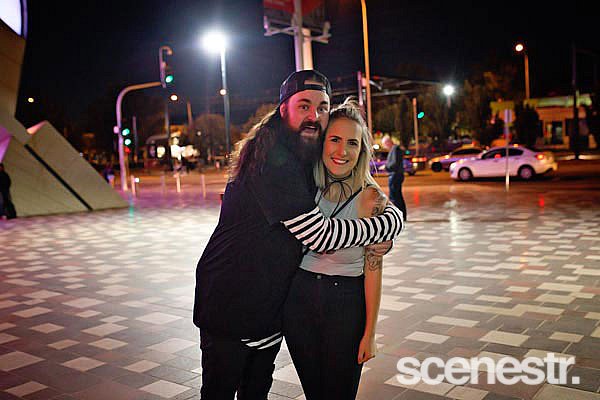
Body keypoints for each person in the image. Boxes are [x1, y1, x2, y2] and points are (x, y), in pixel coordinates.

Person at [193, 70, 404, 400]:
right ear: (283, 110)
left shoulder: (303, 153)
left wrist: (390, 219)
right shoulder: (274, 161)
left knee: (256, 391)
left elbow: (364, 192)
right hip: (230, 306)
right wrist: (388, 226)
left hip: (269, 308)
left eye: (322, 108)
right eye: (304, 106)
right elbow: (320, 236)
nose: (314, 116)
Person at [283, 99, 387, 399]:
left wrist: (370, 333)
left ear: (362, 150)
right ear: (322, 142)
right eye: (335, 140)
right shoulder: (305, 185)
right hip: (299, 300)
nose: (342, 151)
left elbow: (373, 270)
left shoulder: (370, 198)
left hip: (345, 303)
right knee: (314, 392)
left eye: (352, 143)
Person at [385, 141, 407, 221]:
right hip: (396, 175)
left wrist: (386, 167)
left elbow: (394, 163)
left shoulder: (395, 149)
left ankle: (398, 216)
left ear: (388, 143)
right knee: (397, 196)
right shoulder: (396, 149)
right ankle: (401, 215)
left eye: (385, 145)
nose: (385, 147)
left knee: (395, 196)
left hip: (395, 175)